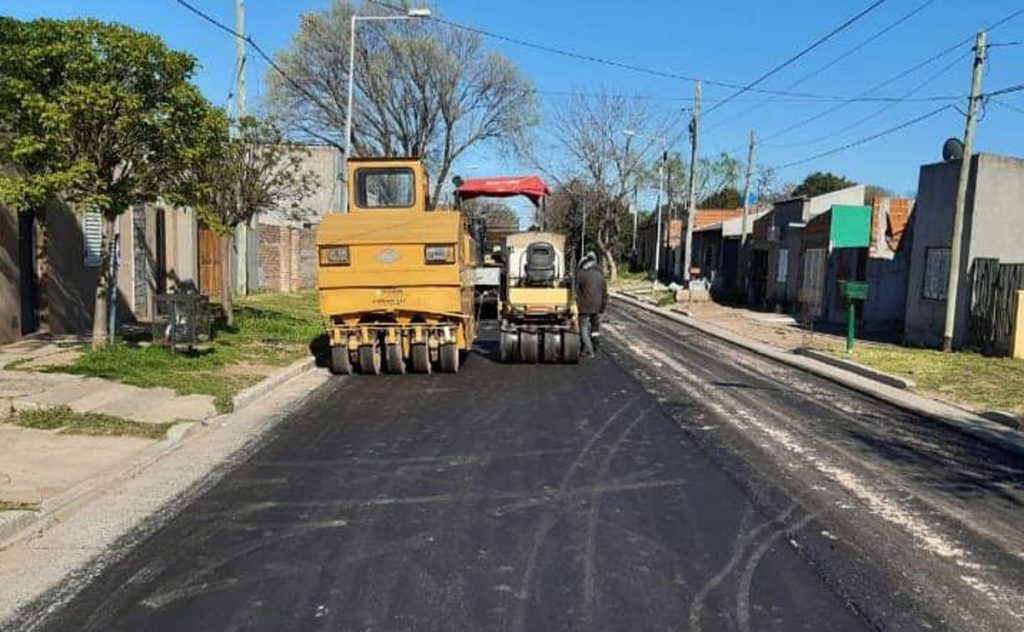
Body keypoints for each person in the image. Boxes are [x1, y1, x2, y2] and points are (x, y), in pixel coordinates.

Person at [575, 251, 607, 357]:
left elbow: (574, 287)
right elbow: (605, 294)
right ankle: (595, 345)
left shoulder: (582, 274)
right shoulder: (601, 276)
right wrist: (602, 308)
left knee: (583, 328)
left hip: (585, 306)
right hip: (597, 307)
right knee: (595, 328)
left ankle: (588, 350)